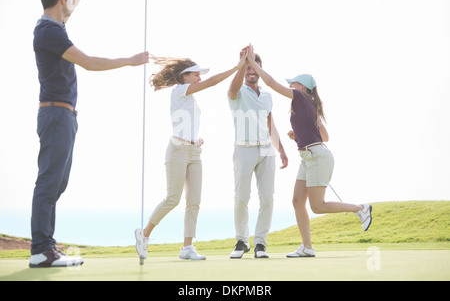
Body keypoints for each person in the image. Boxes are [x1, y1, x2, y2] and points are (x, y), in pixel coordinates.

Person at [31, 0, 149, 268]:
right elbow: (89, 63)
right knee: (49, 183)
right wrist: (130, 61)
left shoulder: (55, 24)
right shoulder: (49, 31)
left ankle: (47, 247)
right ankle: (41, 250)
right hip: (56, 115)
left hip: (63, 115)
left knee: (57, 184)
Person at [245, 45, 372, 258]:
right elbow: (325, 136)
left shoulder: (299, 96)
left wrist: (254, 65)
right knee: (297, 201)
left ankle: (360, 208)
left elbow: (271, 83)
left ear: (301, 86)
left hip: (317, 158)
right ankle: (307, 247)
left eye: (293, 83)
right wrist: (301, 135)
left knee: (317, 206)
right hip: (310, 156)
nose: (290, 85)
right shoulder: (307, 104)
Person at [135, 52, 248, 261]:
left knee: (194, 201)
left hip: (194, 152)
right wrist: (236, 67)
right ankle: (144, 234)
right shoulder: (179, 90)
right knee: (172, 198)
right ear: (185, 77)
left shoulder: (190, 97)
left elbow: (187, 123)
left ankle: (187, 247)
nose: (200, 79)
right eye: (196, 75)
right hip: (177, 151)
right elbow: (213, 82)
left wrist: (197, 139)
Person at [228, 46, 288, 259]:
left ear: (261, 71)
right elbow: (232, 89)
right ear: (244, 70)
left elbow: (270, 125)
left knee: (267, 198)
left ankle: (260, 243)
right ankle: (242, 241)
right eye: (249, 69)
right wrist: (243, 62)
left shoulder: (267, 97)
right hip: (243, 149)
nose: (252, 72)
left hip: (266, 150)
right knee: (242, 198)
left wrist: (281, 150)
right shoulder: (237, 92)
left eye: (256, 68)